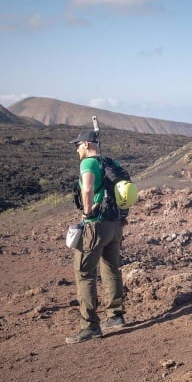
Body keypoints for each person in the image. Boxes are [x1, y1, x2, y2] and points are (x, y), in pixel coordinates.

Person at [66, 130, 125, 344]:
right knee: (111, 269)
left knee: (84, 274)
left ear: (87, 144)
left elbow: (88, 188)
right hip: (115, 224)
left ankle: (89, 326)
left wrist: (87, 211)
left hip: (96, 225)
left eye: (78, 145)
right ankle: (115, 316)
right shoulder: (110, 162)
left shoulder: (88, 163)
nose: (76, 149)